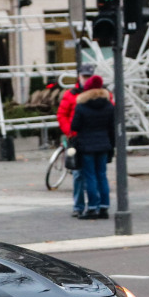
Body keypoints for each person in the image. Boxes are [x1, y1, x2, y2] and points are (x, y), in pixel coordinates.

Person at [70, 74, 114, 220]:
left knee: (90, 177)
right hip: (103, 145)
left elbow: (75, 126)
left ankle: (92, 207)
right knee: (102, 175)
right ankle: (104, 207)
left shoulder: (82, 106)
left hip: (87, 146)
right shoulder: (108, 106)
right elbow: (112, 129)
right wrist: (111, 147)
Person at [57, 63, 95, 218]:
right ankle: (79, 206)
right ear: (79, 77)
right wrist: (70, 132)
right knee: (79, 174)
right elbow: (62, 114)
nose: (86, 80)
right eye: (84, 76)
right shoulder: (71, 94)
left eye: (88, 77)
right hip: (76, 138)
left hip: (92, 137)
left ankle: (93, 204)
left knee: (92, 174)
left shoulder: (98, 93)